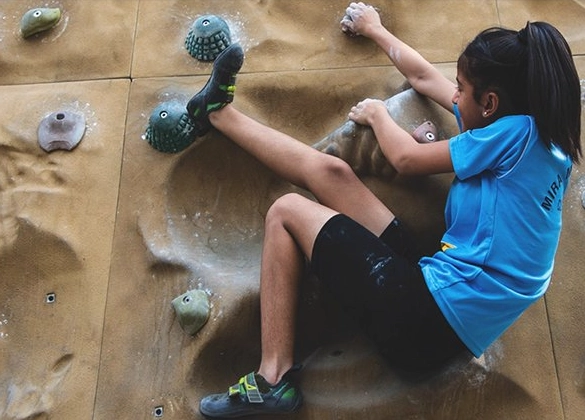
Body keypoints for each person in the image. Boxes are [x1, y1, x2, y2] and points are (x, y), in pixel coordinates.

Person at [186, 2, 582, 418]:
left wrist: (378, 114)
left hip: (426, 321)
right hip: (438, 306)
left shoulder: (515, 133)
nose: (454, 95)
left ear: (490, 102)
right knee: (333, 173)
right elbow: (425, 77)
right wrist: (374, 29)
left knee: (286, 211)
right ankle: (216, 113)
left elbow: (407, 159)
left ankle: (272, 379)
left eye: (462, 89)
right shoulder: (539, 142)